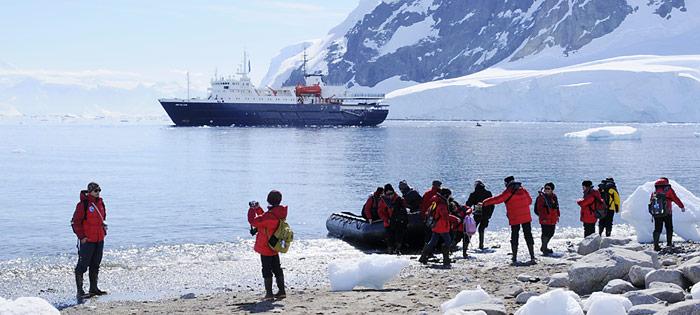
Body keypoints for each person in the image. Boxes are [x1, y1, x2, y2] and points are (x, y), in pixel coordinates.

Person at [480, 176, 535, 265]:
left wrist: (484, 202)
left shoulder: (509, 191)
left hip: (515, 217)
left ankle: (514, 257)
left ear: (506, 183)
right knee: (528, 235)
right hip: (526, 217)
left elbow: (498, 199)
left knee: (515, 236)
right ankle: (532, 256)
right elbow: (530, 201)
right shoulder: (523, 190)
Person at [248, 190, 288, 300]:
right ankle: (282, 291)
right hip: (275, 246)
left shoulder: (269, 216)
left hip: (266, 247)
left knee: (266, 269)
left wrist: (252, 209)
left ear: (268, 200)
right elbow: (265, 217)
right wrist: (257, 209)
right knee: (277, 268)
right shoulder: (279, 213)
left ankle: (269, 294)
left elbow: (254, 221)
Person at [71, 182, 108, 299]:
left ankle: (93, 288)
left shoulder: (101, 202)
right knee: (82, 266)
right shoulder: (83, 205)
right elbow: (75, 222)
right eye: (96, 190)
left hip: (99, 238)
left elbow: (103, 218)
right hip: (87, 240)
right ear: (90, 191)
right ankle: (80, 291)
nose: (98, 192)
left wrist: (103, 232)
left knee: (95, 264)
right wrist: (82, 237)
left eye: (99, 190)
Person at [418, 188, 460, 267]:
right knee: (448, 241)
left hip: (436, 225)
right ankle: (446, 259)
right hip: (442, 226)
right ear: (445, 195)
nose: (449, 197)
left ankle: (423, 257)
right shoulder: (442, 204)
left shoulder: (436, 201)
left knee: (432, 242)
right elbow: (445, 217)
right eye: (449, 195)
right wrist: (455, 219)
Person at [650, 177, 686, 251]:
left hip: (657, 213)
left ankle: (656, 245)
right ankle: (669, 244)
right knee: (669, 227)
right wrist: (681, 206)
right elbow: (675, 198)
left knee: (657, 229)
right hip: (667, 212)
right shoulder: (668, 189)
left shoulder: (655, 191)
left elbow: (651, 202)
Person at [378, 184, 409, 254]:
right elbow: (381, 212)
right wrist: (386, 219)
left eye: (391, 193)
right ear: (385, 193)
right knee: (390, 237)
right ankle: (390, 250)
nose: (390, 195)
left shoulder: (399, 199)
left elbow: (404, 209)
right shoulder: (383, 201)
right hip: (389, 221)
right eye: (388, 194)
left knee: (399, 236)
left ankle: (398, 249)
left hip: (398, 221)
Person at [465, 180, 494, 250]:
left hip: (477, 214)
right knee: (481, 229)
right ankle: (481, 245)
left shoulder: (473, 194)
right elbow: (492, 205)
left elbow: (468, 204)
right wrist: (490, 214)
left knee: (471, 229)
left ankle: (466, 245)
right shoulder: (488, 193)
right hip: (486, 214)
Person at [534, 182, 559, 255]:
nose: (546, 190)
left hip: (553, 218)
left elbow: (556, 207)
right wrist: (542, 216)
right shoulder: (541, 197)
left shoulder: (554, 196)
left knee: (551, 233)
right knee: (545, 233)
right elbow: (538, 209)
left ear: (552, 190)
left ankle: (544, 247)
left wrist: (557, 215)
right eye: (545, 188)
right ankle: (544, 248)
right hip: (544, 218)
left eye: (548, 189)